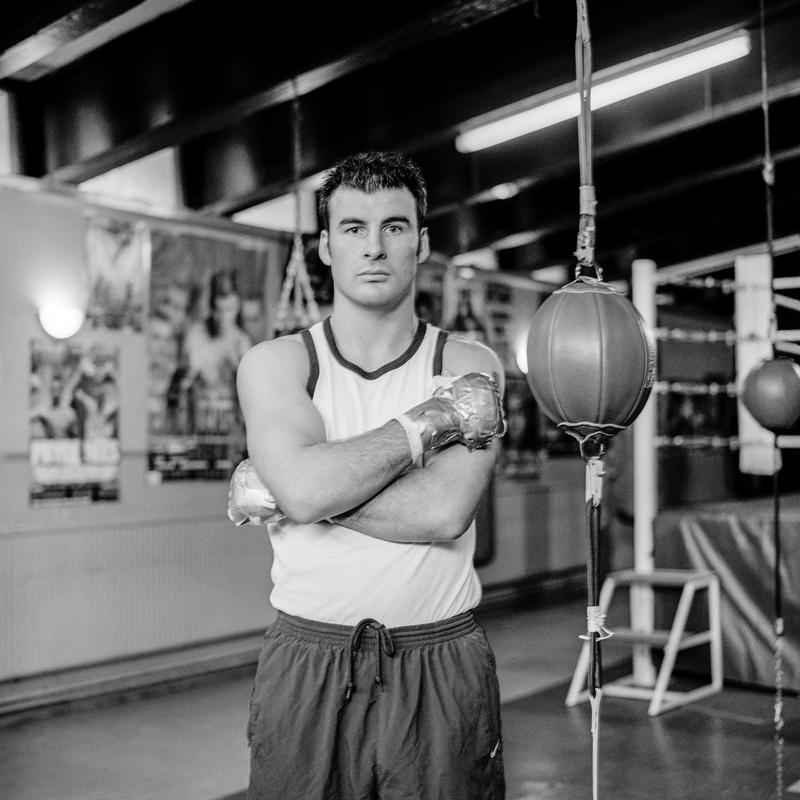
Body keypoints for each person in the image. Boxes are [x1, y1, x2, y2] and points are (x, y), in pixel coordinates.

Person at [229, 151, 507, 800]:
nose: (374, 247)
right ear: (326, 247)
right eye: (353, 228)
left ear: (423, 242)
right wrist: (432, 420)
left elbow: (443, 512)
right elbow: (304, 488)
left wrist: (298, 490)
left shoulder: (468, 361)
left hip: (442, 661)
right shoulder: (277, 364)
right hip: (307, 662)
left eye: (395, 226)